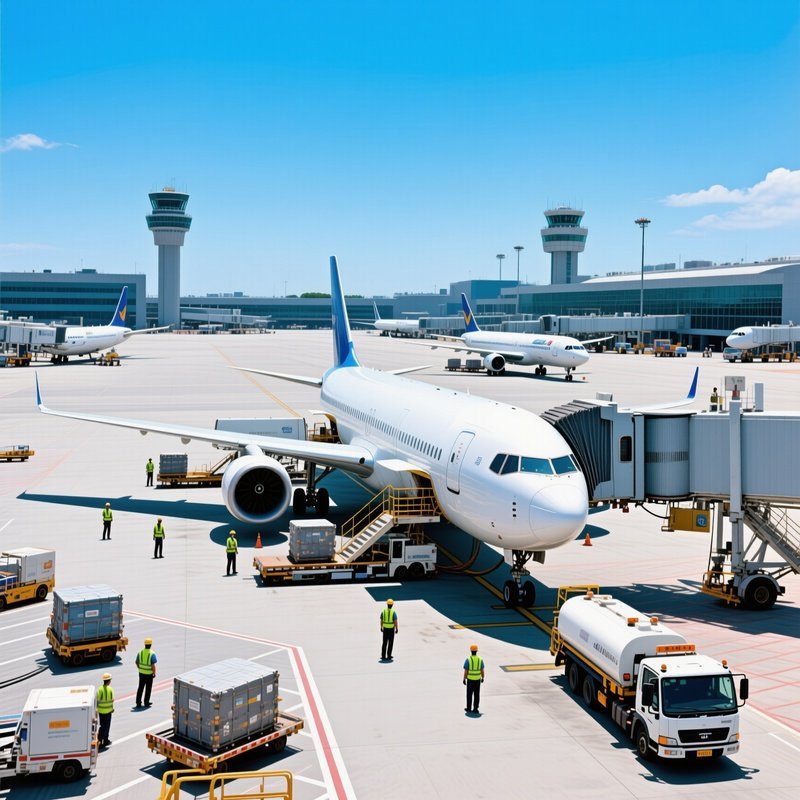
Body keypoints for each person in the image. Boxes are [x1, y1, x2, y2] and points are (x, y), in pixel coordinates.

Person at [463, 644, 485, 713]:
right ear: (477, 651)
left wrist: (464, 678)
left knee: (469, 694)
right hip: (477, 680)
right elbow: (482, 670)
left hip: (470, 680)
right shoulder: (480, 660)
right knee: (477, 694)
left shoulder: (468, 660)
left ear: (471, 651)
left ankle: (468, 708)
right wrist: (483, 677)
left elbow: (466, 670)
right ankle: (475, 709)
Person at [135, 638, 157, 708]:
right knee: (148, 688)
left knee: (140, 688)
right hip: (149, 674)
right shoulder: (152, 653)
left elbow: (136, 662)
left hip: (141, 673)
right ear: (151, 645)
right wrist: (154, 673)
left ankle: (138, 703)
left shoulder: (140, 652)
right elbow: (153, 665)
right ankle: (146, 702)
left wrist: (140, 668)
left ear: (145, 644)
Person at [97, 672, 114, 747]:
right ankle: (106, 740)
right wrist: (112, 709)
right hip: (108, 712)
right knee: (107, 726)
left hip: (101, 711)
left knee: (102, 726)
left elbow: (97, 700)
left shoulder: (99, 689)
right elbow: (112, 700)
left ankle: (100, 740)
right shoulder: (110, 689)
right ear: (109, 681)